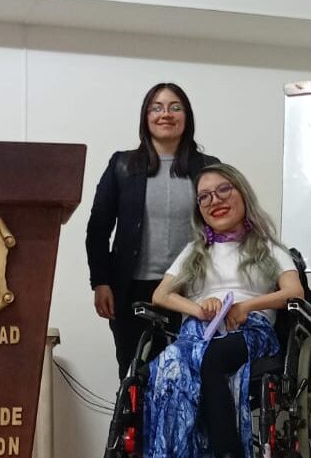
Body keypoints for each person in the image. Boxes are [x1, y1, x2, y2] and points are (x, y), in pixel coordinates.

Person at [141, 163, 303, 458]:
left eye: (223, 190)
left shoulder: (268, 247)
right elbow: (161, 295)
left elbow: (294, 293)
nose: (215, 200)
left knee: (210, 360)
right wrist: (199, 309)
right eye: (204, 197)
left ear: (242, 193)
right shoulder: (195, 250)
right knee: (163, 366)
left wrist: (246, 307)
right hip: (200, 329)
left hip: (250, 329)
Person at [86, 83, 219, 378]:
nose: (166, 114)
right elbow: (98, 228)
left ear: (187, 116)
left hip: (190, 290)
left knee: (188, 376)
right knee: (136, 376)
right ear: (146, 117)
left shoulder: (208, 167)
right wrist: (101, 281)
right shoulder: (122, 165)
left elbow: (223, 225)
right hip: (132, 290)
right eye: (156, 108)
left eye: (175, 107)